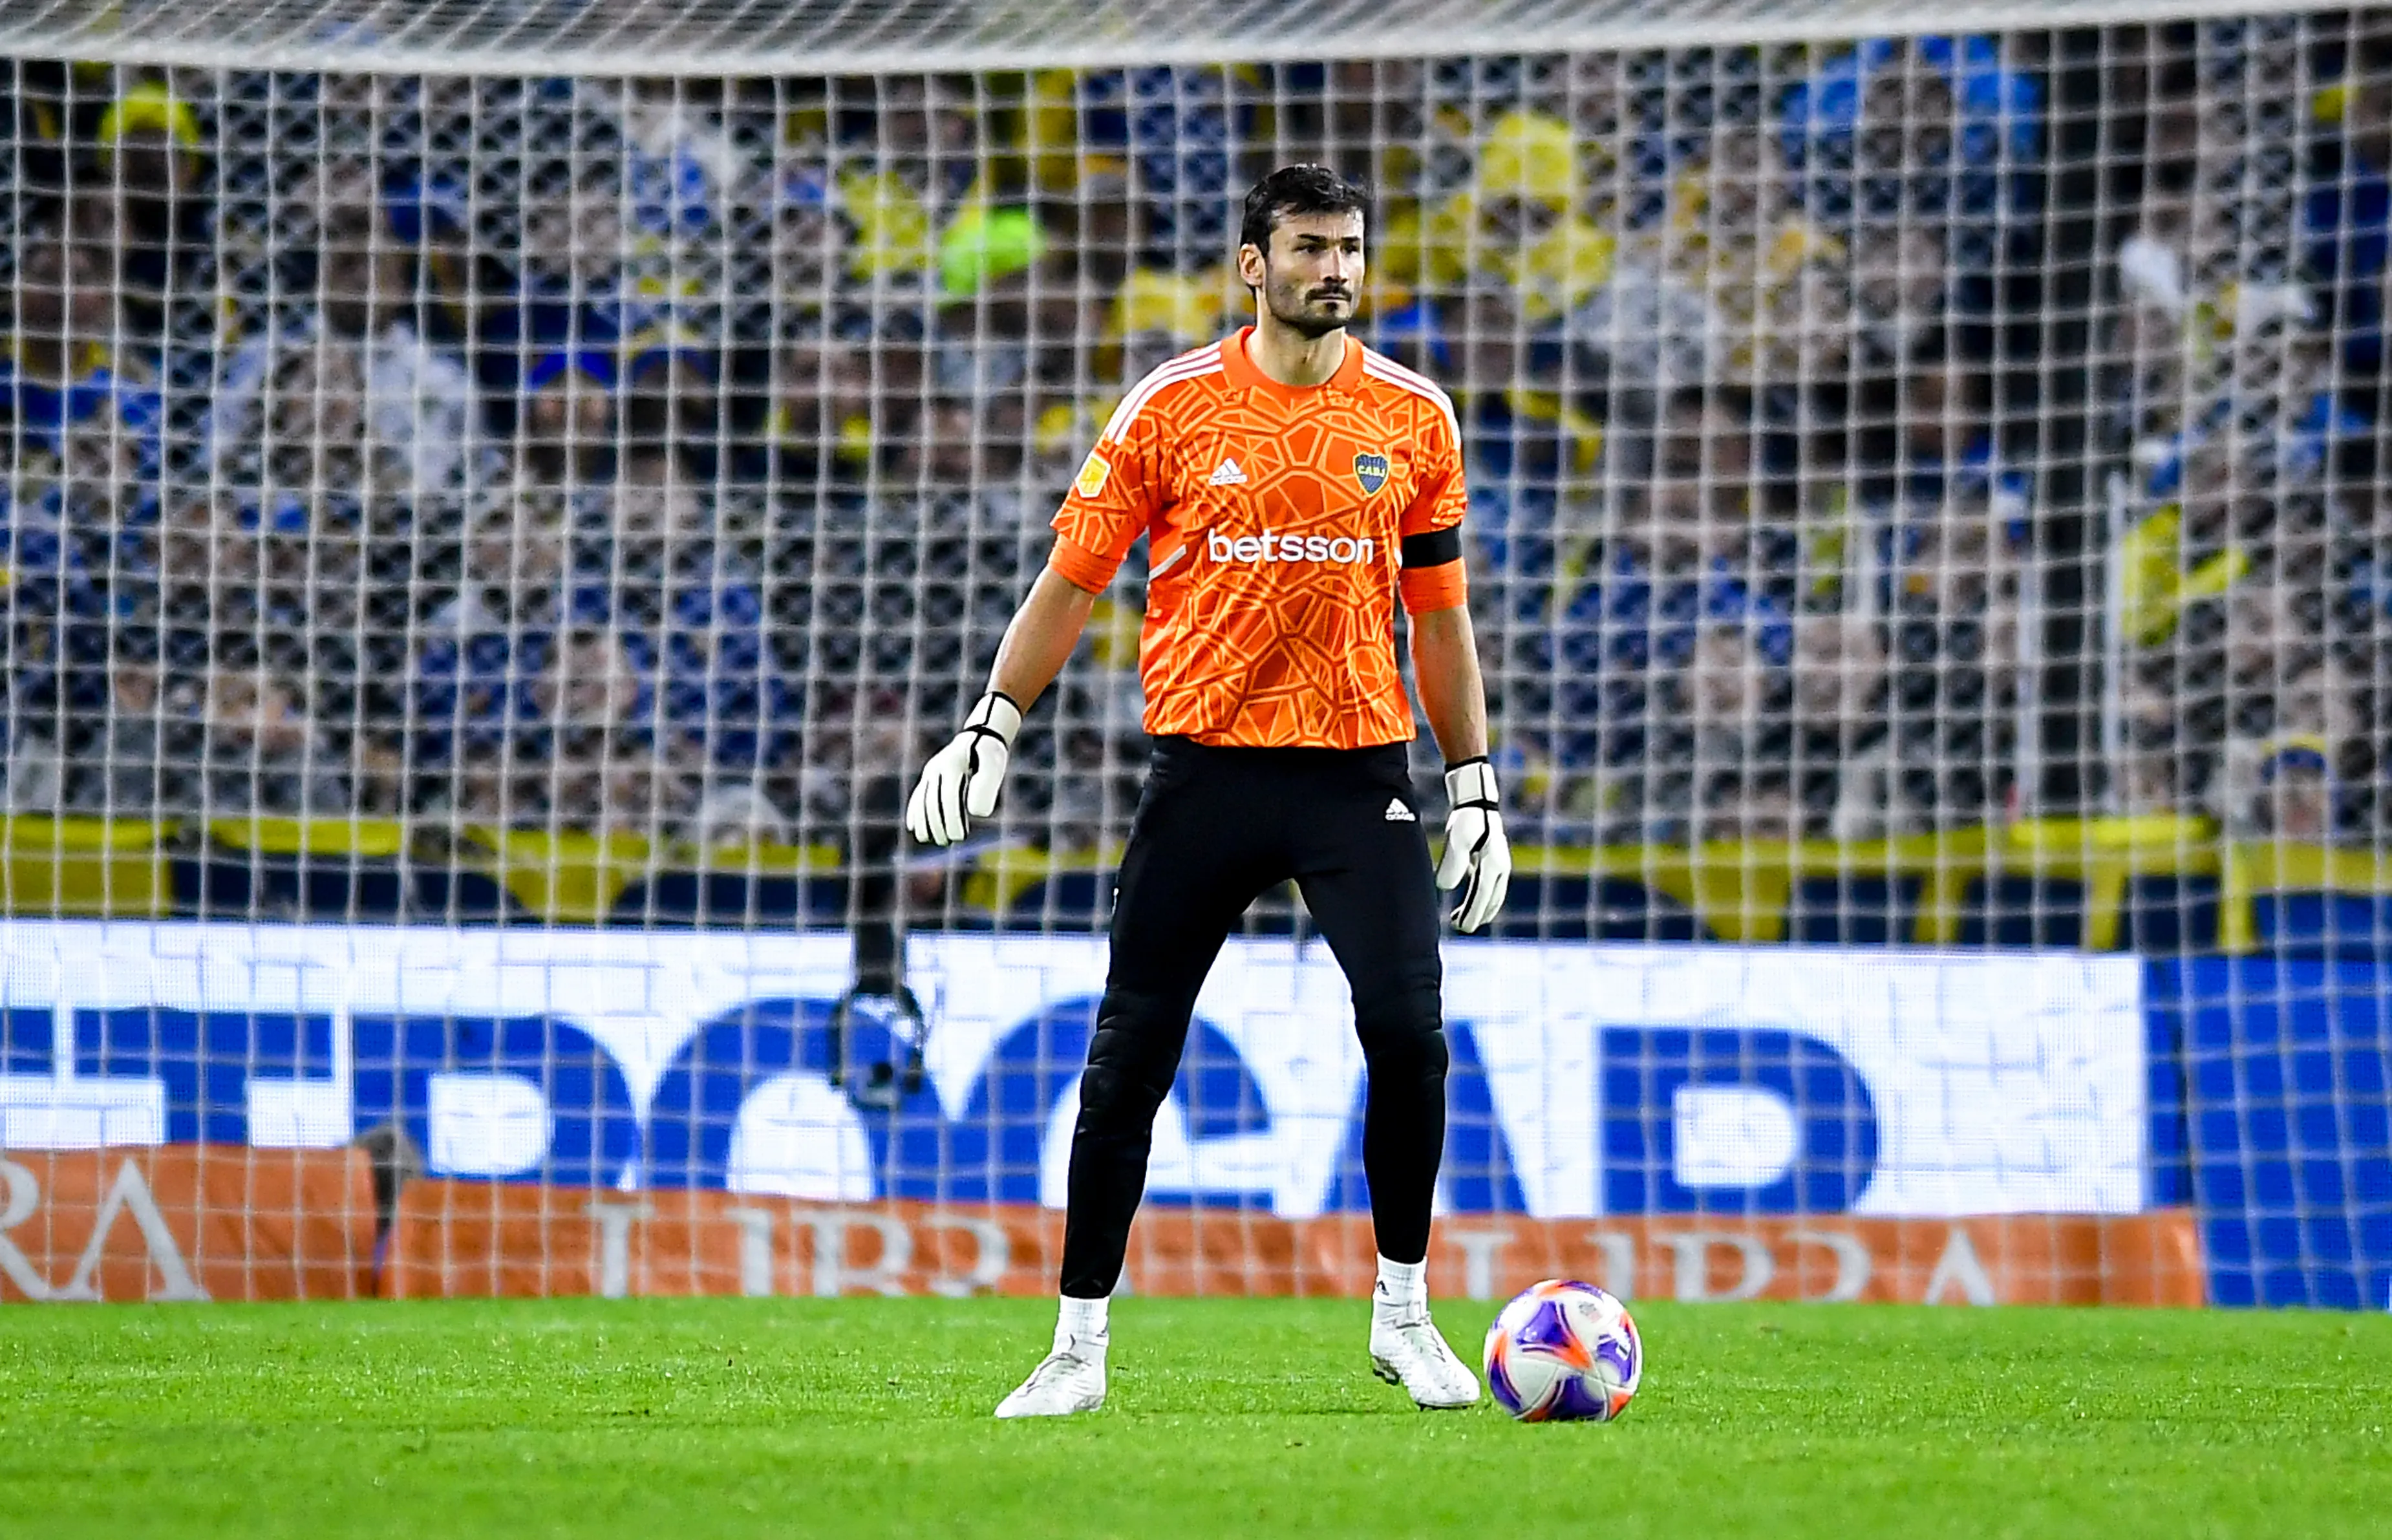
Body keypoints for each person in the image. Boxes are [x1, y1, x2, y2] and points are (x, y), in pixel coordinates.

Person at [904, 166, 1510, 1418]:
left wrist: (1476, 785)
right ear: (1253, 264)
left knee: (1409, 1035)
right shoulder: (1169, 407)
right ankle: (1076, 1350)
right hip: (1203, 774)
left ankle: (1403, 1317)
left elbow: (1439, 621)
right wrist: (989, 724)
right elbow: (1070, 582)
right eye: (1305, 248)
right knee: (1128, 1059)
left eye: (1347, 247)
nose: (1331, 269)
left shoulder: (1414, 419)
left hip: (1356, 777)